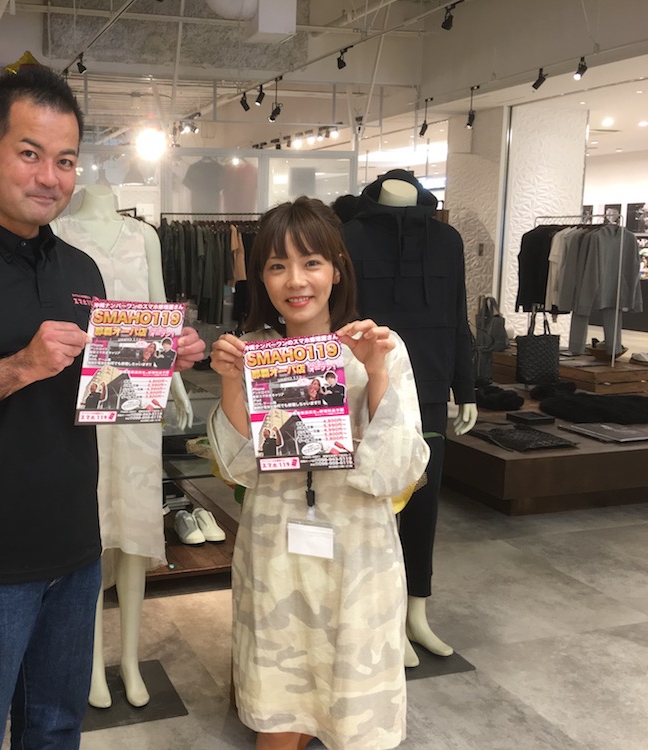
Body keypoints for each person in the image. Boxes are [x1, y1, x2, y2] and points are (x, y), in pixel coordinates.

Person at [0, 67, 204, 749]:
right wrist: (19, 366)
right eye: (30, 153)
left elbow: (97, 393)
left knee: (56, 729)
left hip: (74, 551)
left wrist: (154, 360)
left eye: (66, 160)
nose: (50, 177)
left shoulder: (81, 271)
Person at [208, 196, 429, 750]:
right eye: (277, 265)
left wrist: (376, 373)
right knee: (278, 709)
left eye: (311, 262)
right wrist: (232, 383)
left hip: (357, 554)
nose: (295, 281)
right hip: (276, 551)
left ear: (337, 268)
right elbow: (239, 468)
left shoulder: (379, 347)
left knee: (353, 709)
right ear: (261, 277)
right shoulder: (254, 353)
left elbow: (396, 469)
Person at [52, 183, 195, 710]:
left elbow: (160, 308)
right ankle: (91, 662)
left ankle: (130, 660)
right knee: (90, 529)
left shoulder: (143, 235)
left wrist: (176, 380)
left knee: (133, 526)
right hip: (79, 397)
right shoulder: (58, 231)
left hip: (138, 391)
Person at [340, 169, 477, 667]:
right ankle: (385, 615)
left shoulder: (447, 240)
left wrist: (466, 388)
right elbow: (341, 315)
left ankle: (417, 613)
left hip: (432, 390)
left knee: (423, 507)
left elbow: (458, 316)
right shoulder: (350, 235)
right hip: (369, 389)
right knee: (376, 508)